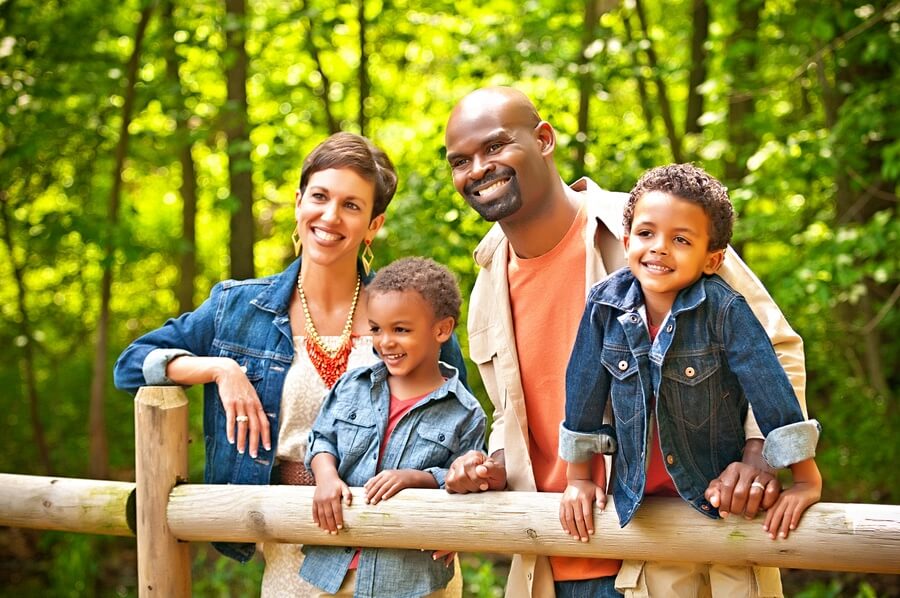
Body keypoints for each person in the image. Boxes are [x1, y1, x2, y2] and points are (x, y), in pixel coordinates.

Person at [442, 87, 810, 598]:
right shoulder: (488, 279)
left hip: (672, 555)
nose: (478, 168)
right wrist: (495, 462)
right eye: (461, 161)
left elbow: (774, 346)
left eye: (495, 147)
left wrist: (757, 457)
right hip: (553, 556)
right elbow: (515, 411)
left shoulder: (651, 228)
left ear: (544, 139)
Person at [113, 133, 469, 597]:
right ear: (299, 201)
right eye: (320, 197)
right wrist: (219, 369)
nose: (330, 216)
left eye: (352, 206)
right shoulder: (236, 309)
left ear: (373, 224)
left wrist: (453, 506)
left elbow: (459, 421)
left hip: (409, 558)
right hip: (293, 556)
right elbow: (132, 363)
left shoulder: (414, 311)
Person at [559, 163, 822, 597]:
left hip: (727, 503)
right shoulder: (604, 306)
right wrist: (579, 478)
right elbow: (583, 391)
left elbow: (769, 386)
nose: (659, 248)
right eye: (646, 234)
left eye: (681, 239)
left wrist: (805, 479)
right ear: (627, 242)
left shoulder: (725, 309)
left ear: (712, 259)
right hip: (650, 509)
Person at [299, 257, 486, 597]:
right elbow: (321, 438)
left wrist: (419, 478)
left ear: (441, 329)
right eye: (376, 329)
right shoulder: (352, 385)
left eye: (401, 330)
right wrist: (326, 477)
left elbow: (468, 485)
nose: (385, 342)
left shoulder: (465, 412)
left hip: (412, 579)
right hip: (335, 573)